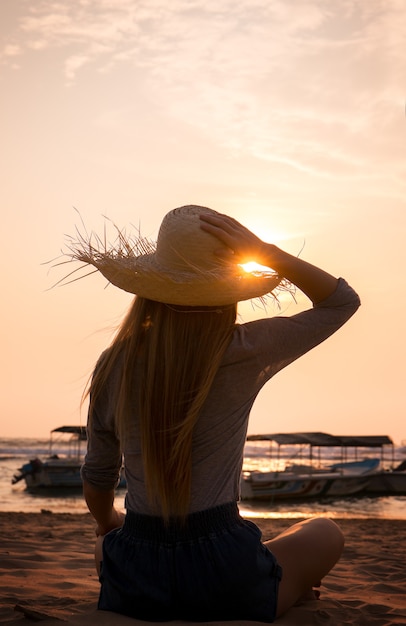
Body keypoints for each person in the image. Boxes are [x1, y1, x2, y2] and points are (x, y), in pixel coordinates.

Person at [72, 205, 360, 622]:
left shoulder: (114, 363)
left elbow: (97, 478)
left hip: (138, 572)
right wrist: (267, 251)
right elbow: (340, 303)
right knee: (325, 531)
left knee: (105, 543)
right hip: (225, 571)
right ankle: (284, 592)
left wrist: (109, 521)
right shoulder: (245, 349)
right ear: (228, 291)